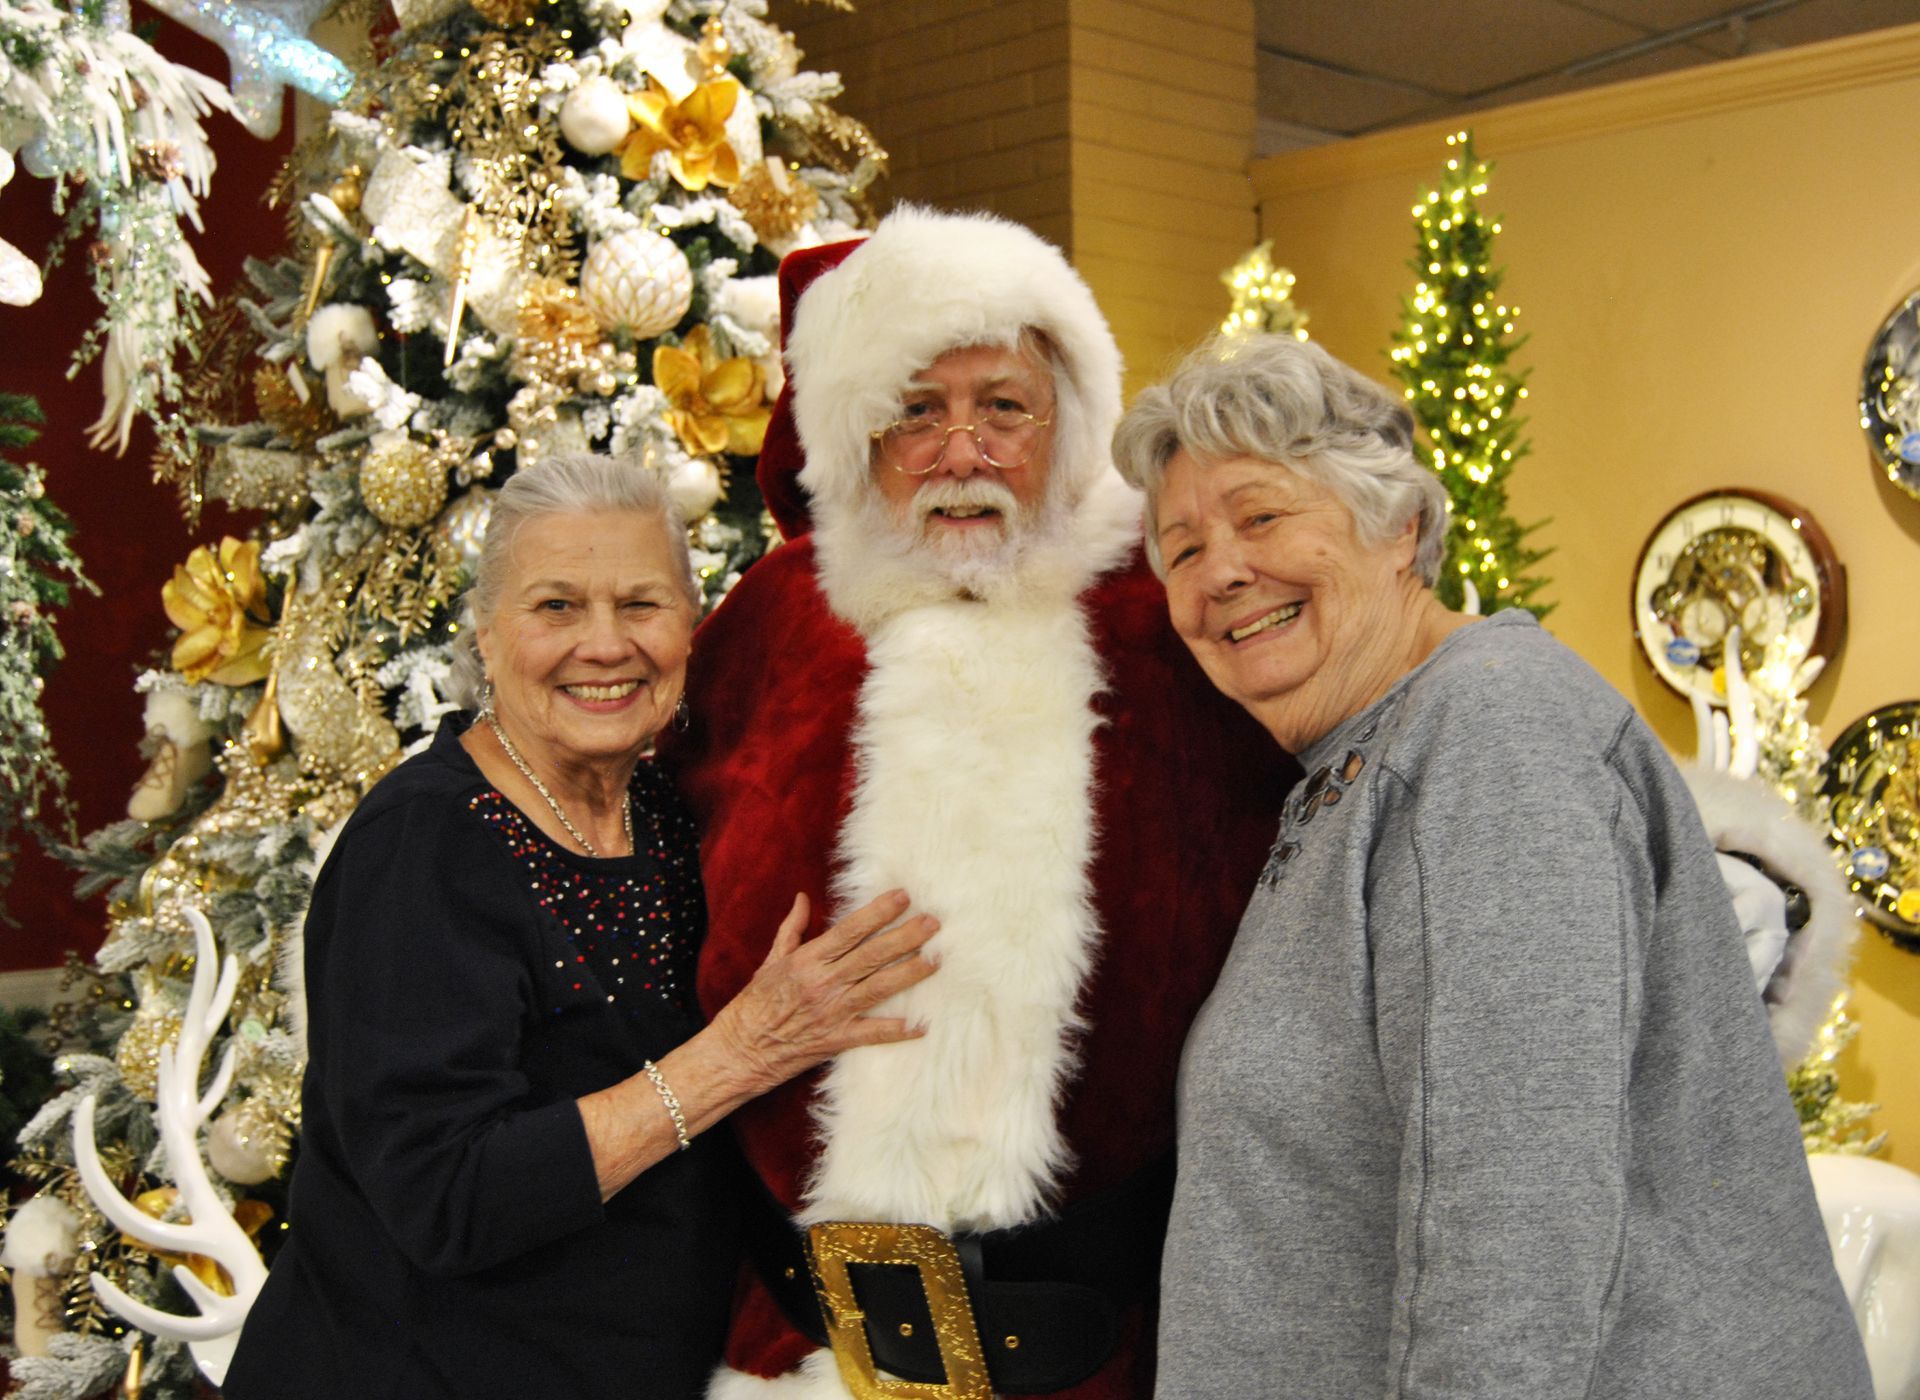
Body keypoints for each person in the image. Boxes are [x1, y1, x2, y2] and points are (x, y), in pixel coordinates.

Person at [1110, 334, 1872, 1399]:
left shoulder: (1491, 729)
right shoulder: (1361, 761)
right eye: (1182, 548)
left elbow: (1516, 1218)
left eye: (1263, 516)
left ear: (1398, 526)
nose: (1221, 571)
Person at [661, 207, 1290, 1398]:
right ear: (857, 434)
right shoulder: (769, 625)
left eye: (1005, 406)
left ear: (1070, 421)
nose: (964, 451)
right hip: (790, 1346)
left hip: (1119, 1353)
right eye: (916, 410)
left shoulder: (1179, 625)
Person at [222, 455, 940, 1400]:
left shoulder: (669, 809)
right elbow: (447, 1195)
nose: (605, 645)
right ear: (487, 634)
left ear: (691, 626)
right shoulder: (424, 843)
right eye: (556, 606)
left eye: (642, 604)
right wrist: (739, 1055)